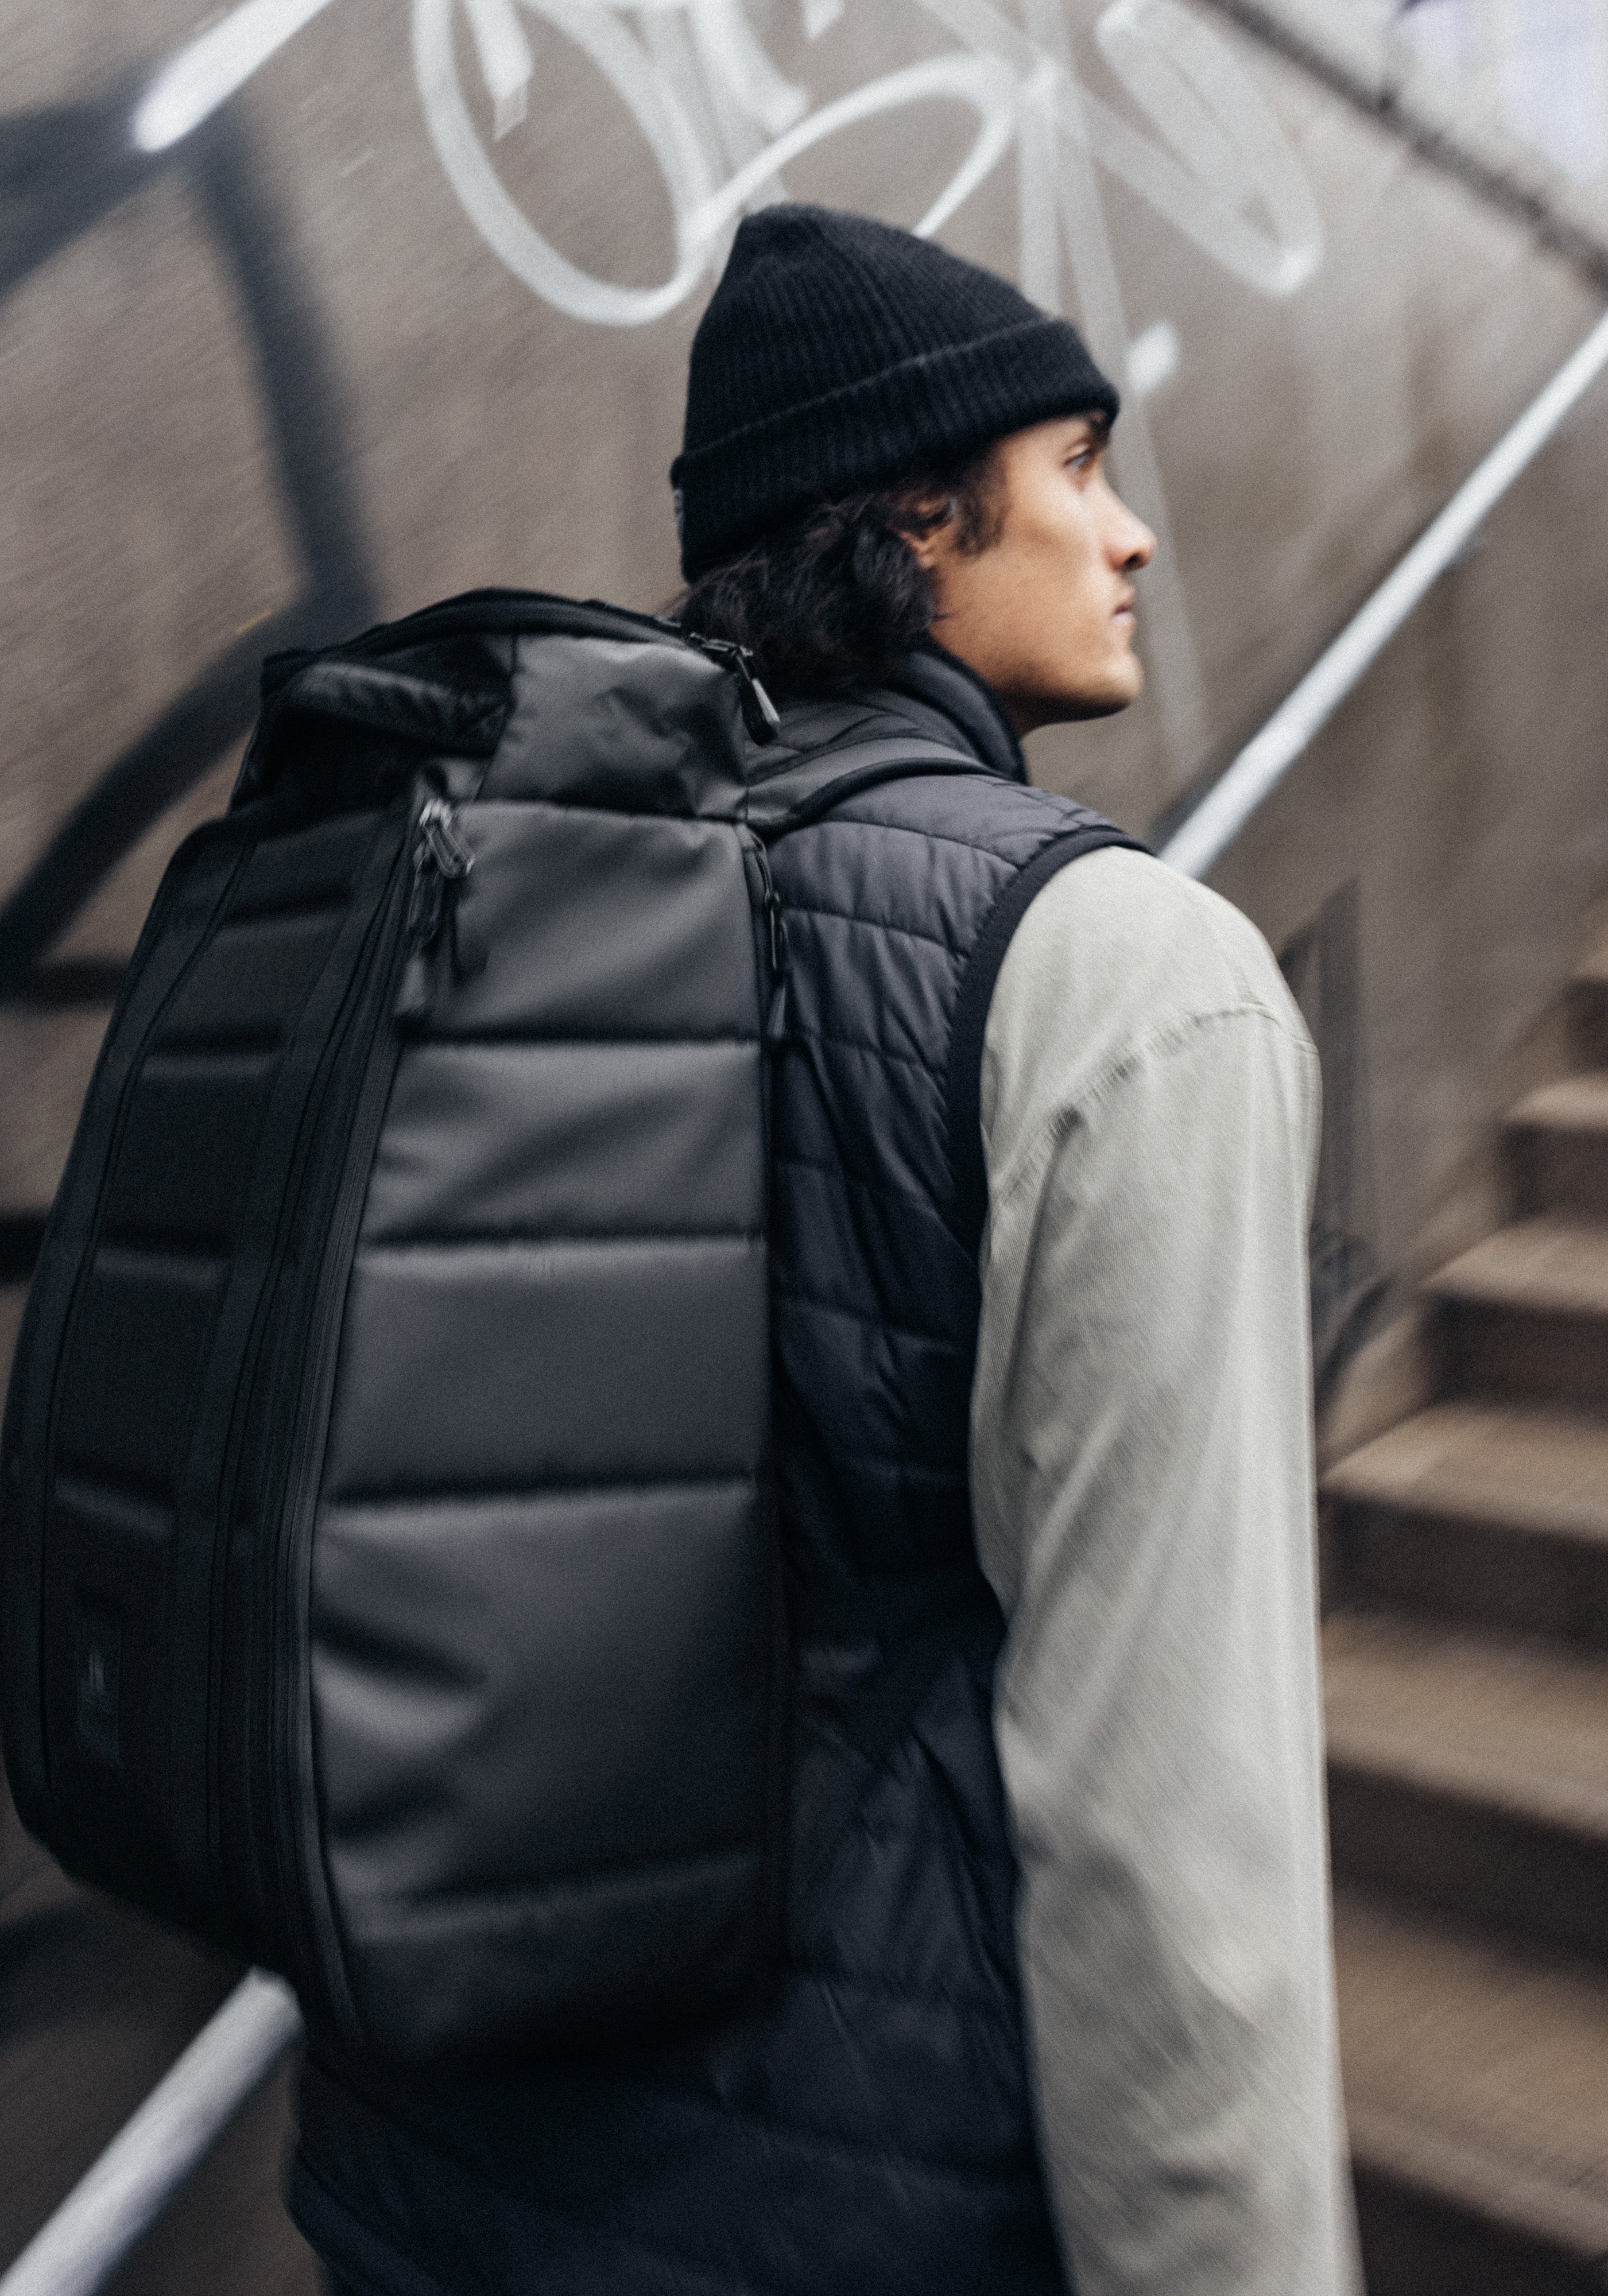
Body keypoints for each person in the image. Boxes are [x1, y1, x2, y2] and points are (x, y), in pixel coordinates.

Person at [291, 205, 1359, 2296]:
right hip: (856, 2213)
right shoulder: (1123, 973)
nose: (1133, 531)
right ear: (915, 522)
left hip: (418, 2162)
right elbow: (1168, 1831)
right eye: (1077, 468)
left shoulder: (496, 897)